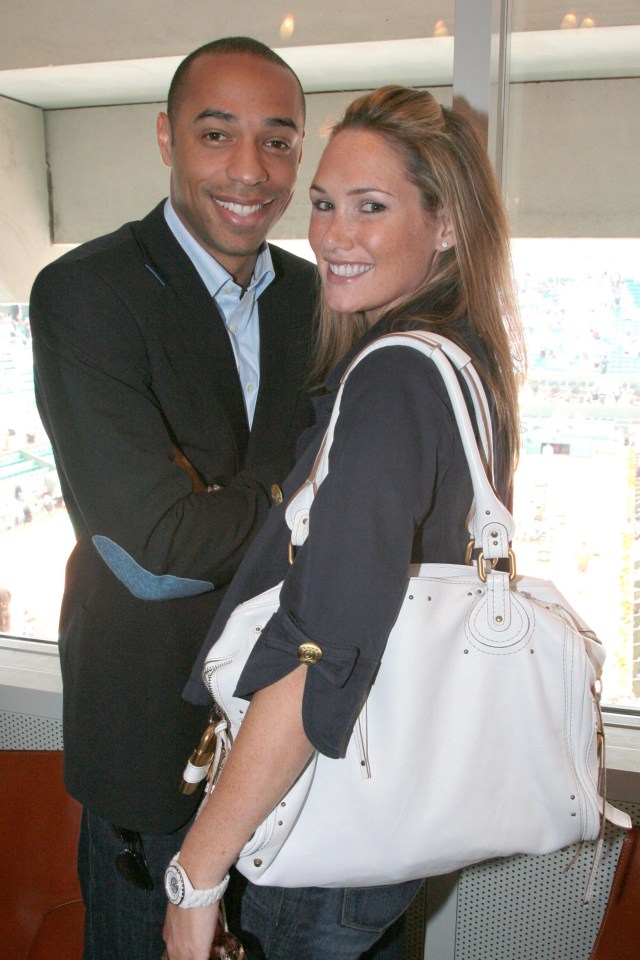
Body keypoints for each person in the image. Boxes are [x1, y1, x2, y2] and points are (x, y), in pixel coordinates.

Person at [164, 85, 525, 960]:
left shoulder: (397, 377)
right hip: (383, 822)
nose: (331, 234)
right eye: (324, 203)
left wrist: (195, 879)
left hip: (321, 824)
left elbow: (321, 644)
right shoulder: (464, 360)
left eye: (371, 207)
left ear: (446, 226)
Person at [29, 37, 317, 960]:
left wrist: (241, 506)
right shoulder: (86, 292)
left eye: (278, 141)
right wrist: (303, 495)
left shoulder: (317, 297)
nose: (249, 170)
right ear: (165, 138)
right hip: (155, 735)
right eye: (215, 134)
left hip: (296, 730)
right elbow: (158, 543)